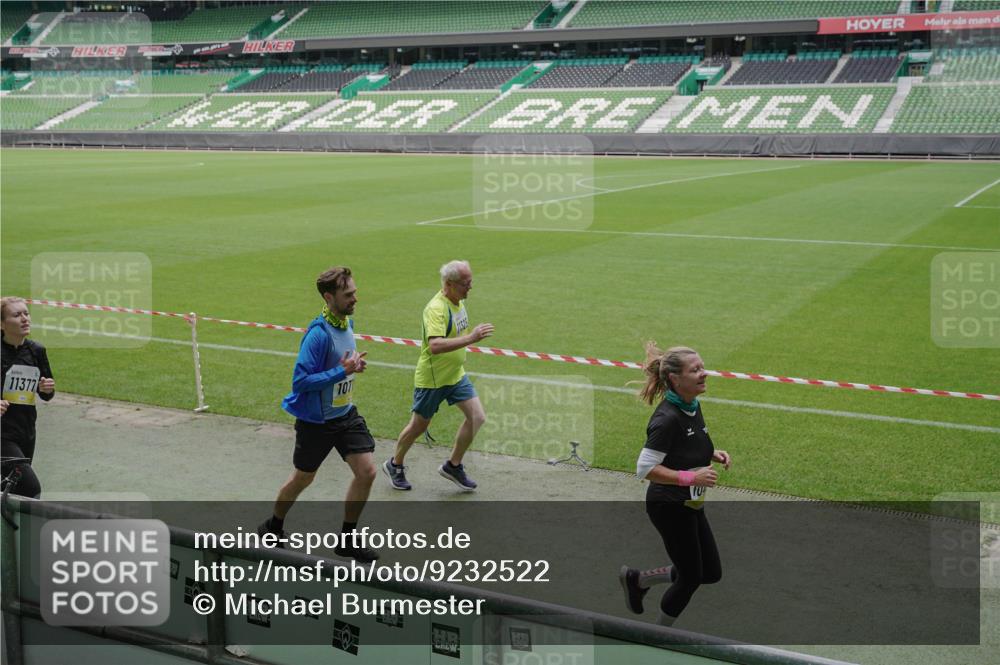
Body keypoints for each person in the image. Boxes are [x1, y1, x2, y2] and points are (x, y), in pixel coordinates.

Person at [258, 267, 379, 562]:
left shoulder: (346, 322)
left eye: (354, 292)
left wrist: (353, 367)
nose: (355, 298)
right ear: (329, 297)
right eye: (348, 294)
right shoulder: (317, 335)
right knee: (303, 479)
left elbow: (343, 365)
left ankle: (347, 539)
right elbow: (300, 381)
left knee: (367, 471)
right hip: (317, 422)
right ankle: (272, 526)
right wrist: (342, 371)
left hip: (345, 414)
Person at [619, 343, 732, 626]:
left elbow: (686, 442)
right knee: (691, 576)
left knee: (710, 572)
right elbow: (644, 468)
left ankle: (639, 580)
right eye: (695, 370)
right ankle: (658, 636)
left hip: (689, 502)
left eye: (702, 367)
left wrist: (710, 453)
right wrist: (690, 478)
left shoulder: (691, 404)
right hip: (668, 505)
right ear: (675, 379)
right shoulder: (666, 418)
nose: (704, 374)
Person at [383, 260, 493, 492]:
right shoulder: (436, 309)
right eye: (466, 283)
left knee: (477, 418)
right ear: (450, 284)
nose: (470, 287)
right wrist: (471, 339)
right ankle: (395, 464)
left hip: (455, 375)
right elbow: (435, 345)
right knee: (418, 426)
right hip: (433, 380)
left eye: (471, 281)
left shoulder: (459, 301)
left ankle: (453, 466)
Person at [1, 297, 55, 499]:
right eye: (16, 315)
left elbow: (46, 393)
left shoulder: (36, 350)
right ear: (2, 324)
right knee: (30, 488)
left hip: (26, 430)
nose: (24, 319)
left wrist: (47, 388)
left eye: (26, 313)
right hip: (2, 434)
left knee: (12, 487)